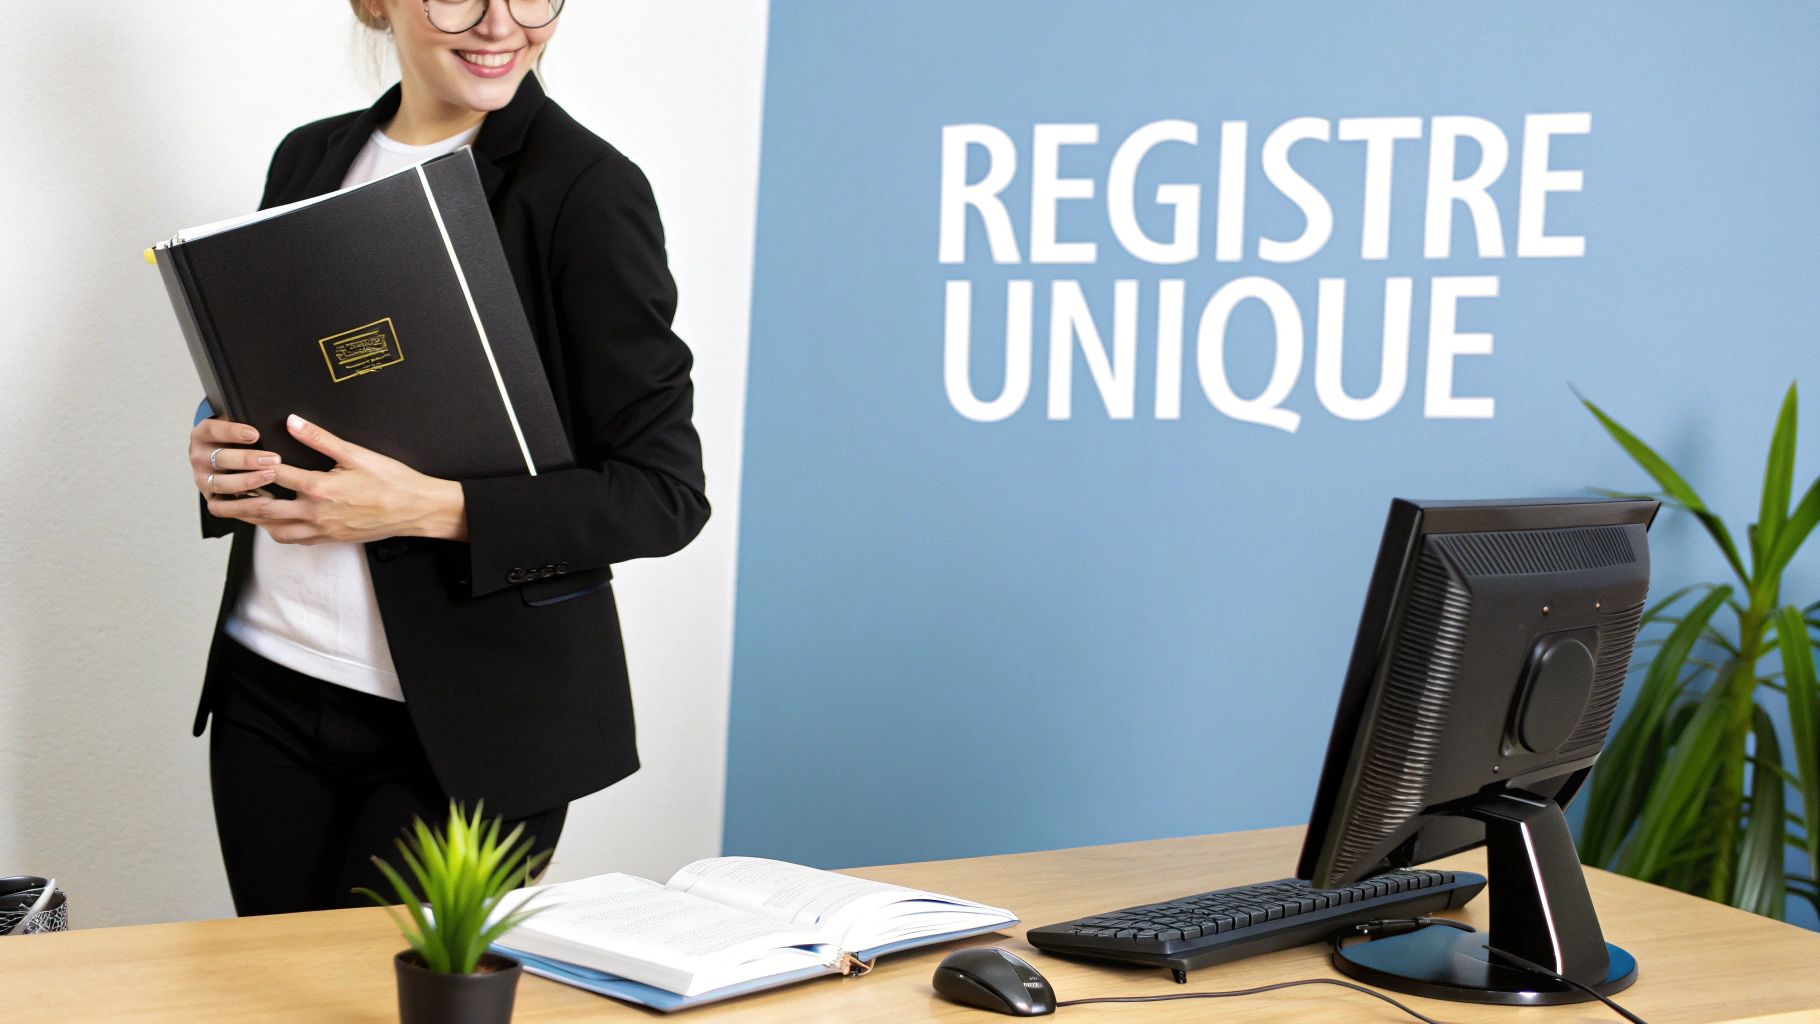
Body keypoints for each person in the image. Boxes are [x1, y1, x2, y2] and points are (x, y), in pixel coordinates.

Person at [183, 0, 708, 916]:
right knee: (269, 1002)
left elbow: (662, 494)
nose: (502, 24)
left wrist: (426, 507)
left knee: (395, 1006)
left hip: (471, 730)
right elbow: (291, 388)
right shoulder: (310, 156)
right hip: (269, 687)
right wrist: (220, 446)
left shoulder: (587, 190)